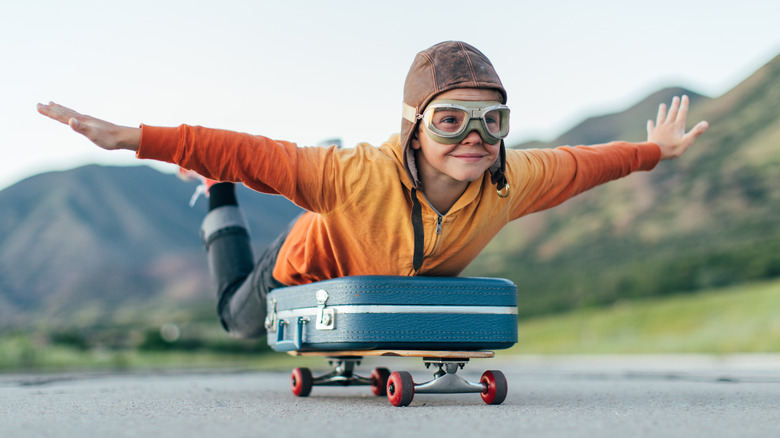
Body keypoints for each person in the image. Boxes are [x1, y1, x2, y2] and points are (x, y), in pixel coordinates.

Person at [37, 41, 709, 339]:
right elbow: (249, 152)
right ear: (414, 128)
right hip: (303, 273)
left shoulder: (513, 178)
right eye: (451, 120)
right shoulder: (356, 174)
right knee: (235, 322)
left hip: (386, 291)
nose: (474, 136)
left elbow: (588, 162)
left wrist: (654, 152)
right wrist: (137, 138)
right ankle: (216, 198)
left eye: (492, 120)